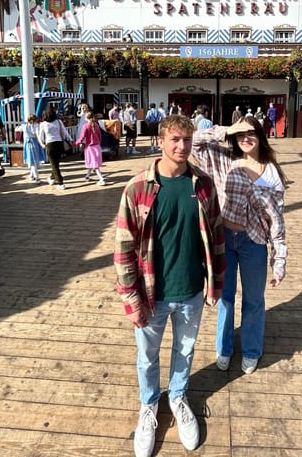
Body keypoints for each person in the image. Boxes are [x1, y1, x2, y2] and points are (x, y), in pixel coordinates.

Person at [114, 114, 225, 457]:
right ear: (160, 141)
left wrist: (216, 283)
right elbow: (123, 249)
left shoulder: (203, 184)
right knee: (147, 358)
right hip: (151, 294)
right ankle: (149, 406)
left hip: (191, 290)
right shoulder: (137, 187)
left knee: (185, 350)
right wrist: (131, 300)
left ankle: (177, 397)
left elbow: (217, 237)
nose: (182, 147)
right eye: (174, 140)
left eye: (187, 141)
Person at [192, 115, 288, 375]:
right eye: (241, 135)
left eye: (251, 133)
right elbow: (195, 142)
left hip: (254, 241)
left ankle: (251, 350)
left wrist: (279, 261)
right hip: (224, 240)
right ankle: (224, 348)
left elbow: (277, 221)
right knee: (225, 298)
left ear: (261, 136)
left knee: (254, 300)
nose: (246, 138)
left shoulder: (271, 172)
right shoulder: (225, 161)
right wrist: (227, 129)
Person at [38, 107, 74, 190]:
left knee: (54, 165)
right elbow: (65, 131)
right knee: (56, 164)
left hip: (49, 144)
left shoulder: (43, 124)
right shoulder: (58, 122)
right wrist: (70, 139)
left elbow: (41, 137)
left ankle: (60, 183)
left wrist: (42, 143)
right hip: (59, 143)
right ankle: (51, 178)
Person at [74, 111, 106, 185]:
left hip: (90, 147)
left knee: (94, 164)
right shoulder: (96, 125)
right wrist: (99, 143)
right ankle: (87, 176)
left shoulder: (85, 126)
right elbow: (100, 136)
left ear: (86, 118)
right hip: (97, 146)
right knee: (93, 162)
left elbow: (82, 137)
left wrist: (76, 144)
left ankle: (101, 179)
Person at [21, 113, 45, 183]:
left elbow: (17, 129)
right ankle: (36, 177)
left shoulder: (24, 126)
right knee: (33, 162)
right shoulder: (36, 126)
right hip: (35, 144)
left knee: (32, 161)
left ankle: (32, 175)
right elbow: (37, 134)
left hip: (27, 144)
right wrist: (41, 142)